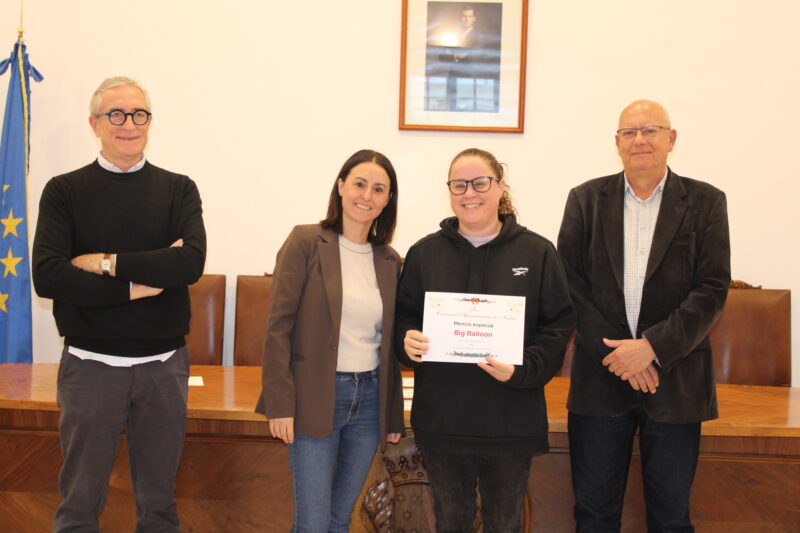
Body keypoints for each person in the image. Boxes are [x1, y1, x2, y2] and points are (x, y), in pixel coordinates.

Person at [32, 76, 206, 532]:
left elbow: (189, 263)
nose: (129, 124)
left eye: (139, 114)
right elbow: (49, 276)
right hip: (90, 368)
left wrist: (105, 263)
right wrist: (134, 288)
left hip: (163, 369)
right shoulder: (63, 191)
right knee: (78, 505)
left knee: (159, 507)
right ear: (94, 124)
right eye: (116, 114)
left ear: (150, 122)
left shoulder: (179, 189)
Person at [557, 100, 731, 532]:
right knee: (593, 516)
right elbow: (569, 285)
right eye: (629, 132)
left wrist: (651, 348)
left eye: (651, 130)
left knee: (671, 519)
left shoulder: (706, 201)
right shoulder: (585, 200)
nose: (640, 140)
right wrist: (620, 356)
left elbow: (712, 288)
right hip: (601, 381)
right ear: (616, 143)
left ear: (671, 139)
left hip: (676, 383)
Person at [397, 148, 575, 532]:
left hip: (511, 418)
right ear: (449, 190)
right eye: (459, 185)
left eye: (480, 182)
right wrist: (405, 340)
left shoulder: (537, 252)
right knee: (451, 523)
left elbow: (558, 325)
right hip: (444, 421)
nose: (470, 193)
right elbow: (403, 318)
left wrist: (524, 369)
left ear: (501, 186)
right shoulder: (424, 253)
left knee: (505, 525)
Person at [256, 149, 405, 532]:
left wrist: (392, 414)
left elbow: (389, 344)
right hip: (315, 396)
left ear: (387, 200)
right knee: (313, 523)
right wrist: (279, 404)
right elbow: (277, 327)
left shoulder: (389, 259)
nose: (367, 196)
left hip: (369, 401)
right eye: (359, 184)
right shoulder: (306, 241)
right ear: (340, 186)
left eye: (378, 189)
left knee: (340, 519)